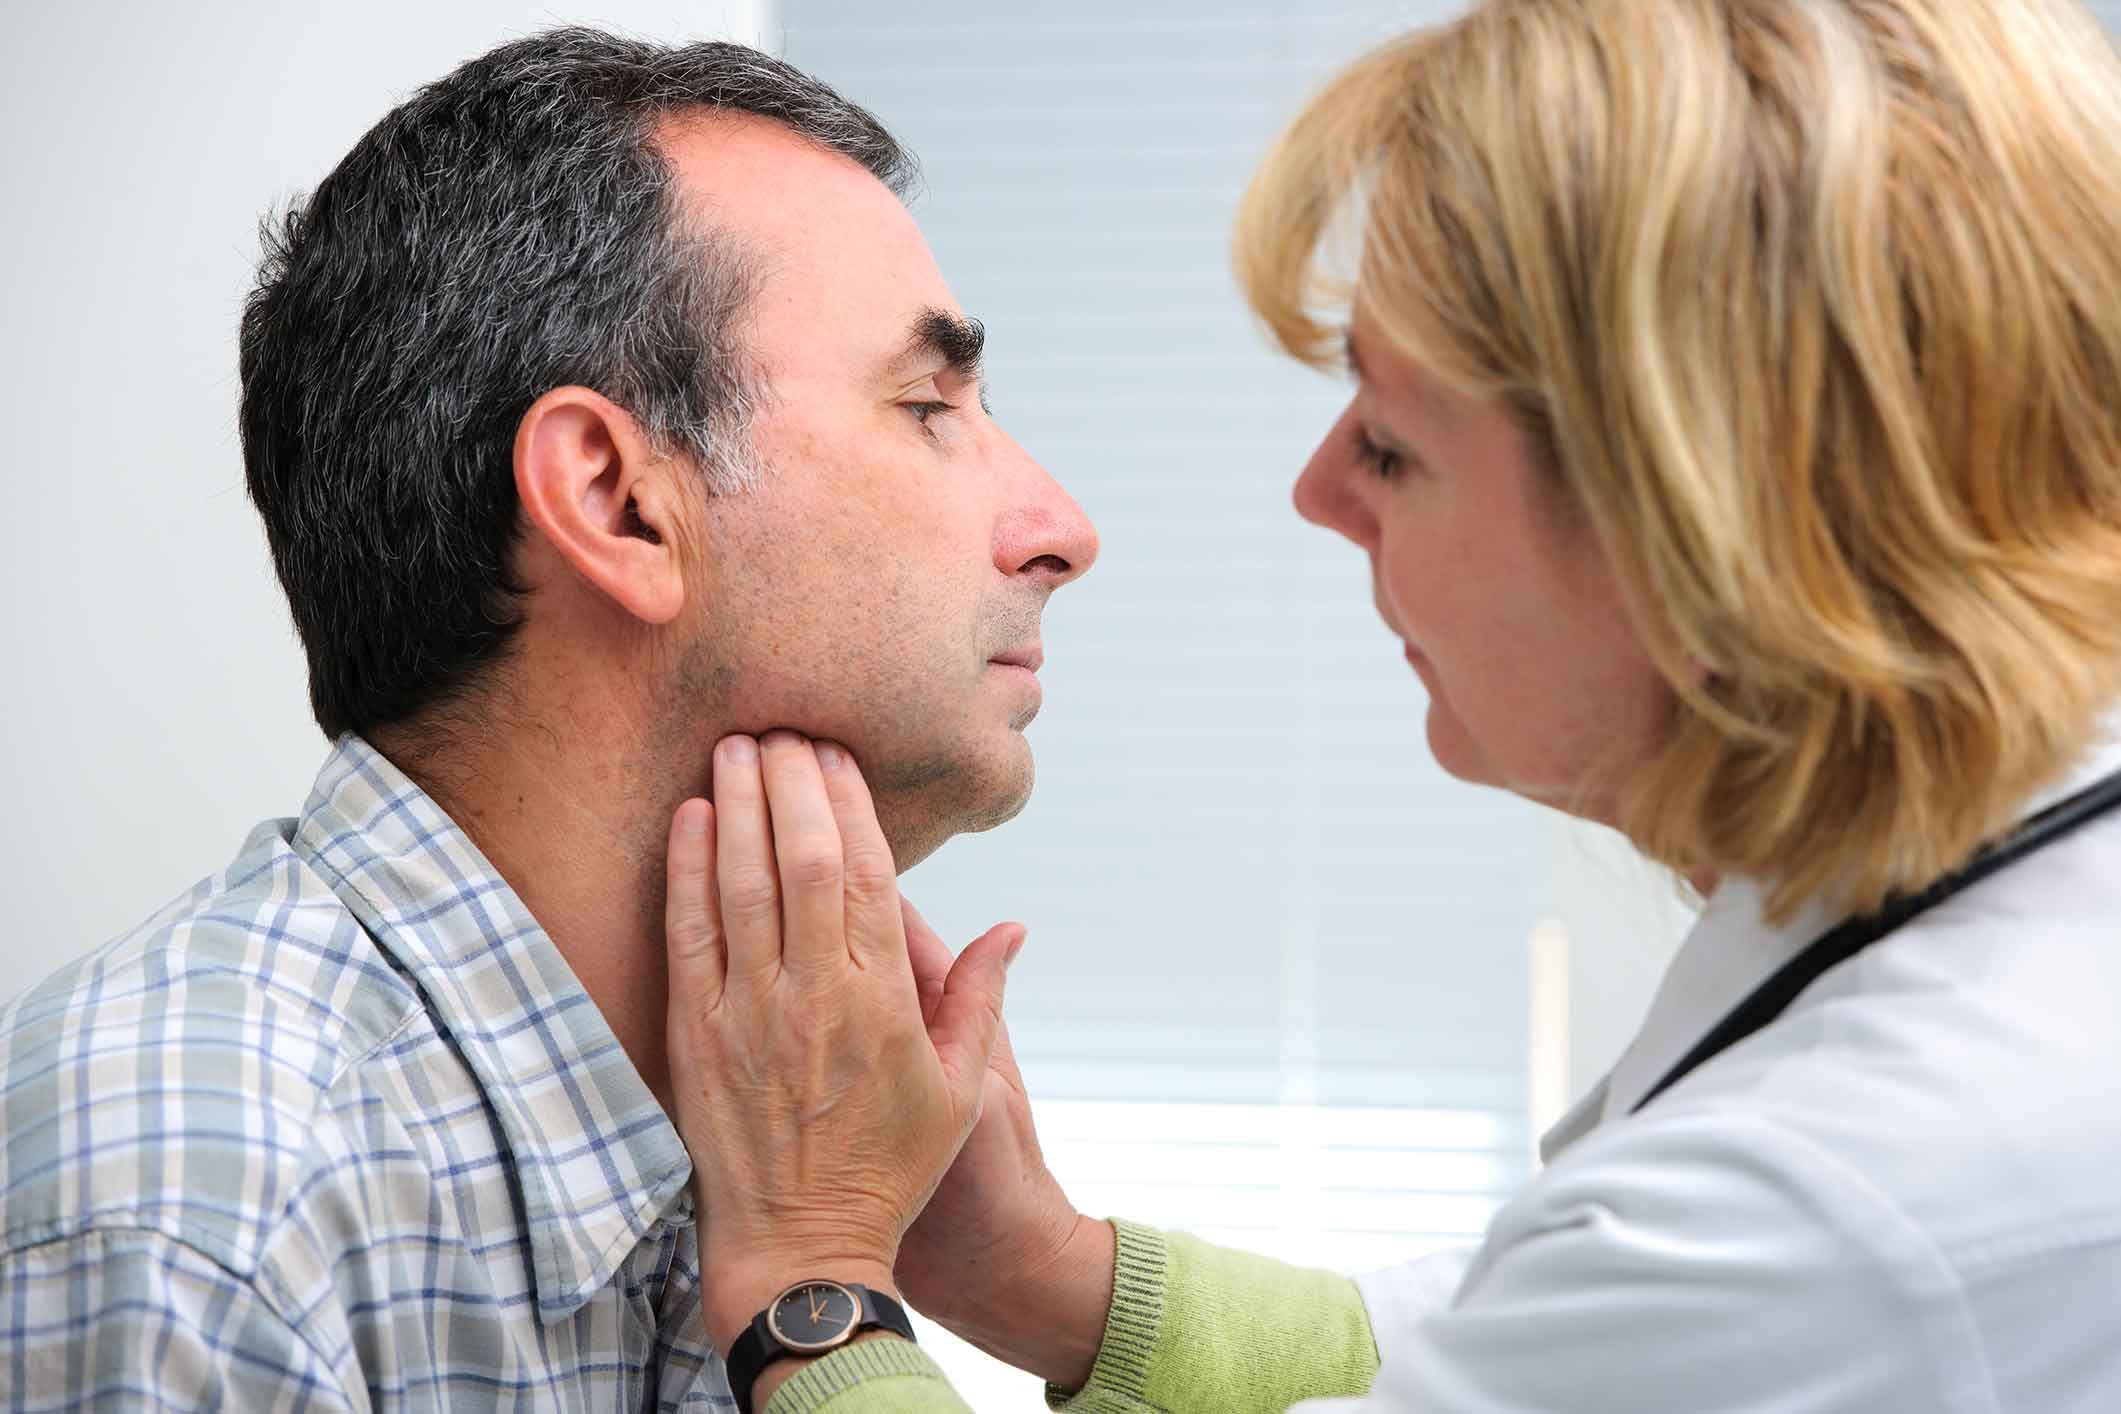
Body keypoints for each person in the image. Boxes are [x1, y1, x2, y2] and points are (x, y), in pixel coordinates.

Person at [659, 1, 2121, 1410]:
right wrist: (1045, 1275)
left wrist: (814, 1285)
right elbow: (1483, 1347)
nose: (1318, 493)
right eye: (928, 409)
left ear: (1693, 521)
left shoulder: (1843, 1202)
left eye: (1394, 443)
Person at [0, 28, 1094, 1411]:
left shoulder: (776, 1144)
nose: (1064, 529)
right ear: (617, 501)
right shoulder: (201, 1230)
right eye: (930, 405)